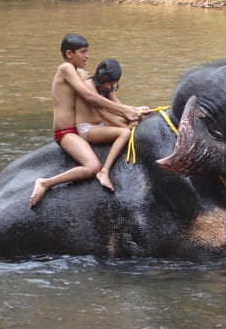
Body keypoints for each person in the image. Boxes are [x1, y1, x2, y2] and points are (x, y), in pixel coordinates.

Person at [29, 33, 142, 207]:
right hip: (66, 133)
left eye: (87, 51)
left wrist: (132, 110)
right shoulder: (65, 69)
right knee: (92, 167)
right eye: (82, 52)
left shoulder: (80, 72)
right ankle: (46, 183)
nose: (87, 56)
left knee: (128, 121)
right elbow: (89, 96)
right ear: (69, 54)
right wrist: (125, 110)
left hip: (79, 128)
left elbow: (98, 93)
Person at [75, 58, 146, 192]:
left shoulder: (106, 88)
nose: (109, 86)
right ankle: (105, 171)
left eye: (112, 83)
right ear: (102, 77)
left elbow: (120, 107)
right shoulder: (89, 86)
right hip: (88, 129)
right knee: (125, 133)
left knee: (135, 118)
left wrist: (137, 110)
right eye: (108, 82)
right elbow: (103, 114)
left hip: (101, 124)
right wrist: (125, 127)